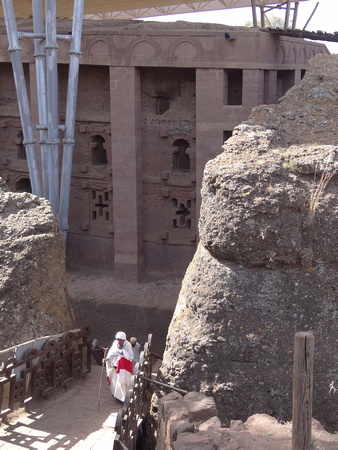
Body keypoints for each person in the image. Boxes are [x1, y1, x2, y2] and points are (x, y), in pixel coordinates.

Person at [105, 331, 134, 402]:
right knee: (115, 382)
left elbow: (131, 357)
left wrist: (123, 353)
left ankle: (124, 399)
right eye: (117, 339)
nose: (118, 341)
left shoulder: (127, 345)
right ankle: (116, 396)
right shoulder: (115, 343)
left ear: (124, 340)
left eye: (120, 340)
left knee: (122, 383)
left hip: (123, 369)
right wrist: (107, 358)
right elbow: (111, 352)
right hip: (114, 367)